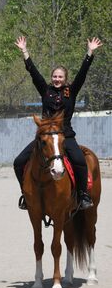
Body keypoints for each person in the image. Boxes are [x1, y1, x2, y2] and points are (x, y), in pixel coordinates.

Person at [13, 36, 103, 210]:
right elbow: (33, 72)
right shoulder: (45, 90)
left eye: (60, 77)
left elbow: (83, 73)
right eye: (54, 76)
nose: (57, 79)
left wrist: (89, 52)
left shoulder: (72, 91)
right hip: (45, 137)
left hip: (65, 136)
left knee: (79, 161)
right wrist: (24, 51)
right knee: (18, 161)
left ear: (65, 78)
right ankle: (26, 195)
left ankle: (83, 195)